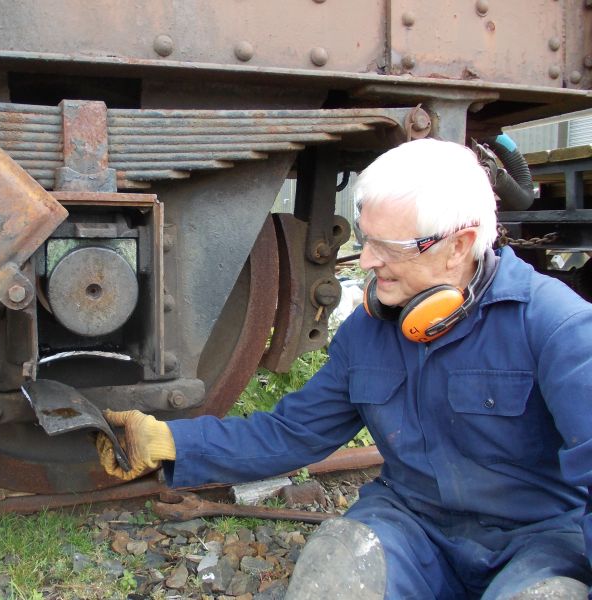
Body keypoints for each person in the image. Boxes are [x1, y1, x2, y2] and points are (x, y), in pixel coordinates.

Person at [96, 138, 592, 599]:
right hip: (410, 526)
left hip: (536, 540)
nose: (367, 261)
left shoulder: (556, 325)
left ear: (458, 245)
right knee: (334, 570)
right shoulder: (369, 332)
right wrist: (171, 443)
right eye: (365, 238)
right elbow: (292, 433)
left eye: (390, 248)